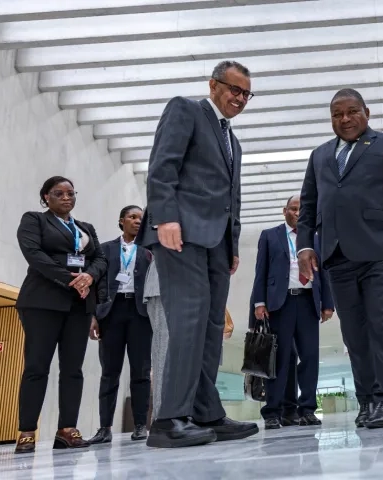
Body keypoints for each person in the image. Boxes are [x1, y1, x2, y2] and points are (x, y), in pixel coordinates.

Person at [136, 60, 258, 448]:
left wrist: (233, 244)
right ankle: (169, 419)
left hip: (217, 245)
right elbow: (162, 167)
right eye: (233, 89)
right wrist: (165, 218)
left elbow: (232, 199)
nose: (238, 98)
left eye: (245, 93)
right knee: (187, 323)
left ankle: (207, 411)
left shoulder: (233, 140)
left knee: (210, 330)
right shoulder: (184, 110)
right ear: (213, 84)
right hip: (181, 236)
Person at [297, 88, 383, 429]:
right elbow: (308, 206)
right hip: (336, 255)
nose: (346, 119)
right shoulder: (319, 155)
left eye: (352, 112)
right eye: (338, 114)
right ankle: (367, 399)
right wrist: (305, 247)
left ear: (367, 112)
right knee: (354, 332)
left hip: (380, 251)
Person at [14, 176, 108, 453]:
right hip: (42, 302)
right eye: (59, 193)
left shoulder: (85, 228)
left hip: (78, 306)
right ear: (46, 197)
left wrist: (88, 277)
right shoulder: (34, 220)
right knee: (36, 367)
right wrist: (69, 278)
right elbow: (33, 253)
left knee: (73, 370)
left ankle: (67, 430)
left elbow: (100, 258)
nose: (66, 197)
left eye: (70, 193)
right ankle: (27, 431)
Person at [250, 195, 334, 430]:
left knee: (309, 357)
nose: (298, 213)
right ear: (284, 210)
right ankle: (272, 412)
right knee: (279, 359)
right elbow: (261, 271)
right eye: (293, 209)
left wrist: (328, 303)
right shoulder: (269, 235)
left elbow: (324, 272)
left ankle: (307, 409)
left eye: (302, 210)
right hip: (281, 303)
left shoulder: (314, 238)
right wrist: (259, 302)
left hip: (308, 302)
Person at [88, 205, 153, 445]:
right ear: (121, 221)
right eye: (132, 217)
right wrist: (93, 316)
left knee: (141, 372)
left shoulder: (150, 250)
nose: (137, 221)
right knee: (109, 373)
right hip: (111, 313)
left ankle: (139, 426)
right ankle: (104, 428)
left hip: (140, 315)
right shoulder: (105, 249)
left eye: (141, 218)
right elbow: (95, 285)